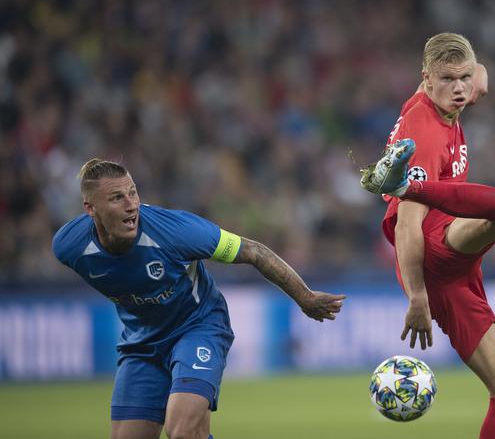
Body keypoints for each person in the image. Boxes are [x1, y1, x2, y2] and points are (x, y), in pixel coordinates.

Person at [52, 158, 345, 439]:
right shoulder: (69, 247)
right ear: (90, 209)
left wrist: (305, 298)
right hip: (141, 344)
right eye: (117, 198)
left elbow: (254, 251)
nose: (132, 205)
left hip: (197, 327)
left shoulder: (176, 232)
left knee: (181, 430)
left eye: (133, 192)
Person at [360, 33, 495, 439]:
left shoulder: (451, 93)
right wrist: (417, 297)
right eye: (448, 80)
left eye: (464, 78)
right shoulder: (422, 133)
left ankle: (408, 186)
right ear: (425, 80)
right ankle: (407, 186)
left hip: (456, 258)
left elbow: (480, 76)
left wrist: (476, 79)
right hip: (432, 249)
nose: (459, 89)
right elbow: (407, 225)